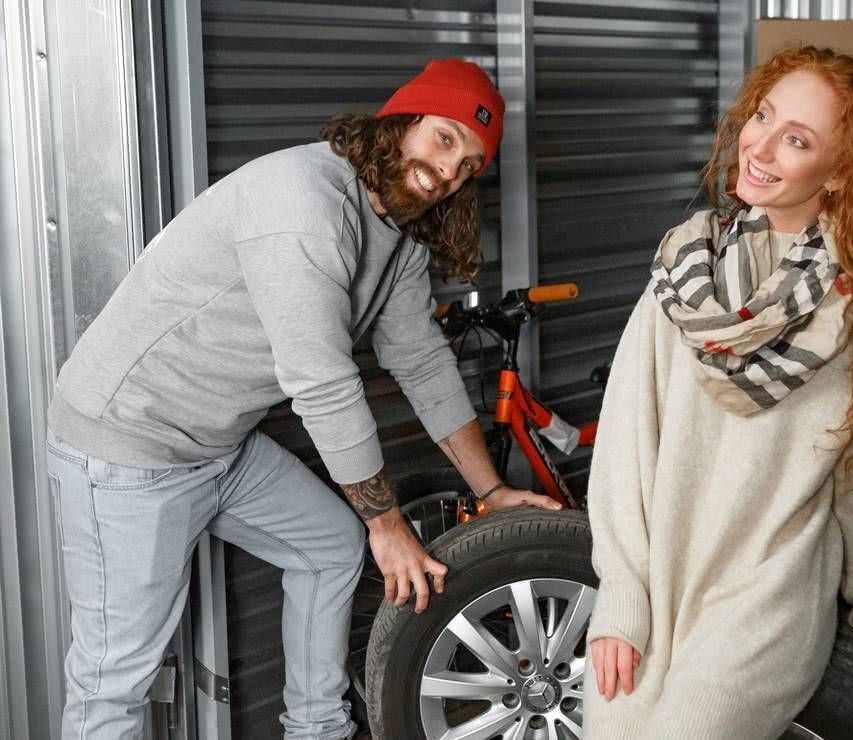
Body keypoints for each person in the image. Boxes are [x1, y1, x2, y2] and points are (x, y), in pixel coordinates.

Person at [45, 59, 559, 740]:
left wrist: (490, 491)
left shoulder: (398, 228)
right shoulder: (303, 204)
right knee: (116, 678)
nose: (449, 172)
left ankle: (318, 729)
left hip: (216, 443)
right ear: (400, 120)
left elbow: (421, 360)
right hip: (129, 443)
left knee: (326, 545)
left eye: (469, 164)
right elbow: (319, 381)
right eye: (443, 139)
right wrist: (389, 526)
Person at [583, 45, 853, 739]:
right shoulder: (684, 275)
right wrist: (621, 596)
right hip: (660, 578)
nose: (760, 145)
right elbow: (625, 447)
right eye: (763, 116)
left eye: (798, 139)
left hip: (771, 591)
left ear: (842, 174)